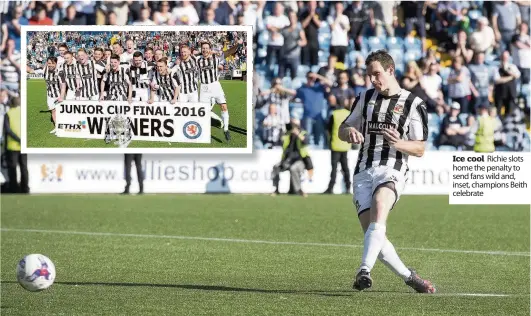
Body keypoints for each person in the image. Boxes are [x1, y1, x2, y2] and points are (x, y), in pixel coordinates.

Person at [338, 50, 435, 293]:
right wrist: (348, 132)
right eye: (369, 75)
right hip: (363, 171)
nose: (372, 80)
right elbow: (343, 127)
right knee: (374, 236)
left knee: (380, 209)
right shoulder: (365, 98)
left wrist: (398, 143)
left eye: (377, 74)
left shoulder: (413, 104)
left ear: (390, 70)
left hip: (392, 169)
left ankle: (363, 270)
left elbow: (420, 148)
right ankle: (410, 277)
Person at [271, 118, 309, 197]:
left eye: (294, 124)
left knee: (293, 168)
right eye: (292, 124)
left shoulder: (303, 132)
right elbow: (281, 143)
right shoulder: (287, 134)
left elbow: (306, 142)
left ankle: (299, 190)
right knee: (276, 167)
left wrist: (298, 134)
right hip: (288, 160)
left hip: (300, 160)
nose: (293, 126)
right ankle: (276, 189)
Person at [3, 96, 28, 193]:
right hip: (24, 145)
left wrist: (17, 139)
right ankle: (25, 188)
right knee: (24, 168)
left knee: (12, 168)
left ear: (11, 104)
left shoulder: (8, 113)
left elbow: (7, 130)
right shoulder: (25, 113)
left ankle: (14, 189)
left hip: (12, 146)